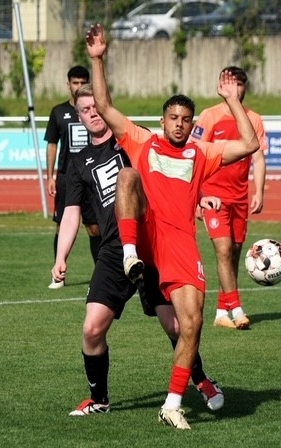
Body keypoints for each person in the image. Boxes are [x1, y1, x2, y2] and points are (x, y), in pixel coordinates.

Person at [86, 24, 260, 430]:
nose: (179, 124)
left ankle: (172, 404)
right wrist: (97, 59)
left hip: (179, 243)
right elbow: (104, 105)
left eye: (185, 119)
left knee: (190, 325)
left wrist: (233, 101)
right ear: (162, 120)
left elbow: (249, 144)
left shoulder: (202, 153)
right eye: (173, 118)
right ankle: (129, 254)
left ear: (191, 122)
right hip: (143, 238)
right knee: (127, 176)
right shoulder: (143, 141)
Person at [51, 83, 225, 416]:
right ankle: (99, 399)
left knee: (179, 327)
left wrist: (200, 197)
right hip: (115, 249)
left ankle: (200, 379)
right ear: (78, 116)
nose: (93, 114)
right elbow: (72, 211)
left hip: (156, 241)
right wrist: (61, 256)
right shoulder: (78, 161)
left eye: (96, 107)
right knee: (91, 329)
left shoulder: (133, 140)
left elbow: (176, 170)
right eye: (85, 110)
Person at [189, 66, 267, 330]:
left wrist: (259, 190)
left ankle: (221, 312)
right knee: (222, 250)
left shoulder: (253, 118)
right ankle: (237, 309)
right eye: (230, 83)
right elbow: (194, 154)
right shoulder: (209, 116)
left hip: (240, 197)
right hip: (214, 197)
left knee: (233, 254)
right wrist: (197, 196)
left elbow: (258, 157)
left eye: (240, 84)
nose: (235, 89)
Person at [44, 65, 100, 289]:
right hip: (67, 178)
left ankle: (101, 275)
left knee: (94, 228)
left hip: (91, 178)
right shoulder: (58, 112)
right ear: (68, 84)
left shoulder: (96, 110)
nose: (78, 86)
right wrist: (50, 176)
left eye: (82, 82)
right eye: (75, 83)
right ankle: (59, 274)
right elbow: (52, 144)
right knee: (62, 226)